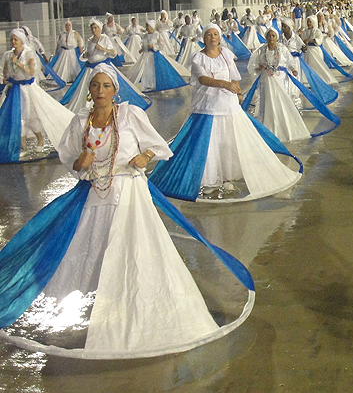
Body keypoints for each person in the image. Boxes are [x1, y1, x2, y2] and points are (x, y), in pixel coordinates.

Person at [0, 64, 255, 358]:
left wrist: (144, 156)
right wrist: (82, 162)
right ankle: (106, 305)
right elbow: (71, 160)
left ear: (115, 90)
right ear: (89, 91)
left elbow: (158, 146)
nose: (100, 91)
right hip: (96, 194)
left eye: (106, 86)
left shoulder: (130, 114)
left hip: (130, 192)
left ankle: (139, 307)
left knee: (133, 249)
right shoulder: (81, 121)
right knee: (93, 248)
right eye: (95, 86)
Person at [149, 24, 302, 201]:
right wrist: (225, 84)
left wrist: (237, 92)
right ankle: (212, 180)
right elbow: (203, 78)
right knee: (210, 143)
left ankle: (227, 177)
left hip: (228, 106)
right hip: (206, 107)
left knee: (228, 141)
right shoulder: (198, 58)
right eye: (209, 34)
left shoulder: (227, 55)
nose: (212, 37)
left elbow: (234, 76)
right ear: (204, 38)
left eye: (215, 34)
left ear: (219, 37)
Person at [0, 28, 74, 161]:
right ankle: (23, 147)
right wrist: (6, 78)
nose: (13, 42)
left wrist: (18, 63)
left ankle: (40, 140)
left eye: (16, 39)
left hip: (27, 89)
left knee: (31, 116)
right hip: (15, 89)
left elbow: (31, 72)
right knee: (18, 117)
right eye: (12, 39)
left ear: (21, 41)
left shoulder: (28, 54)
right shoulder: (8, 55)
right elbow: (5, 70)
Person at [61, 18, 151, 113]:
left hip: (102, 67)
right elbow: (89, 53)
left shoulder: (105, 38)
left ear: (99, 29)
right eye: (92, 28)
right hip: (90, 68)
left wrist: (103, 48)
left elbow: (113, 53)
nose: (94, 30)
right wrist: (85, 55)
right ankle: (88, 108)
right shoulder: (90, 40)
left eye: (96, 28)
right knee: (87, 89)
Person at [129, 20, 189, 92]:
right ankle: (148, 84)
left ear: (152, 27)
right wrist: (143, 49)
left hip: (154, 55)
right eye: (146, 26)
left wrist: (153, 46)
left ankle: (155, 83)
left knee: (155, 69)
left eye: (148, 26)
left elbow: (161, 45)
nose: (147, 28)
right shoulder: (145, 35)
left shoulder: (157, 35)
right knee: (147, 70)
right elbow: (144, 44)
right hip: (147, 55)